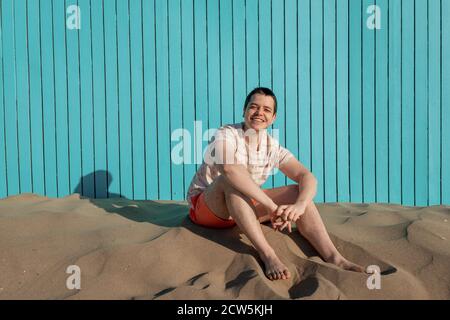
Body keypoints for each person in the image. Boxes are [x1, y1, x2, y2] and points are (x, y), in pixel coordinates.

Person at [186, 87, 365, 281]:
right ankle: (268, 255)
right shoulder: (226, 134)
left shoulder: (272, 146)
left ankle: (334, 257)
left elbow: (307, 176)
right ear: (244, 111)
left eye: (266, 110)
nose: (259, 113)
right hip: (207, 208)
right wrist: (272, 207)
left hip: (241, 209)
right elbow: (230, 169)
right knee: (229, 181)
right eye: (253, 107)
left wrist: (300, 205)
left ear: (273, 118)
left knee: (298, 192)